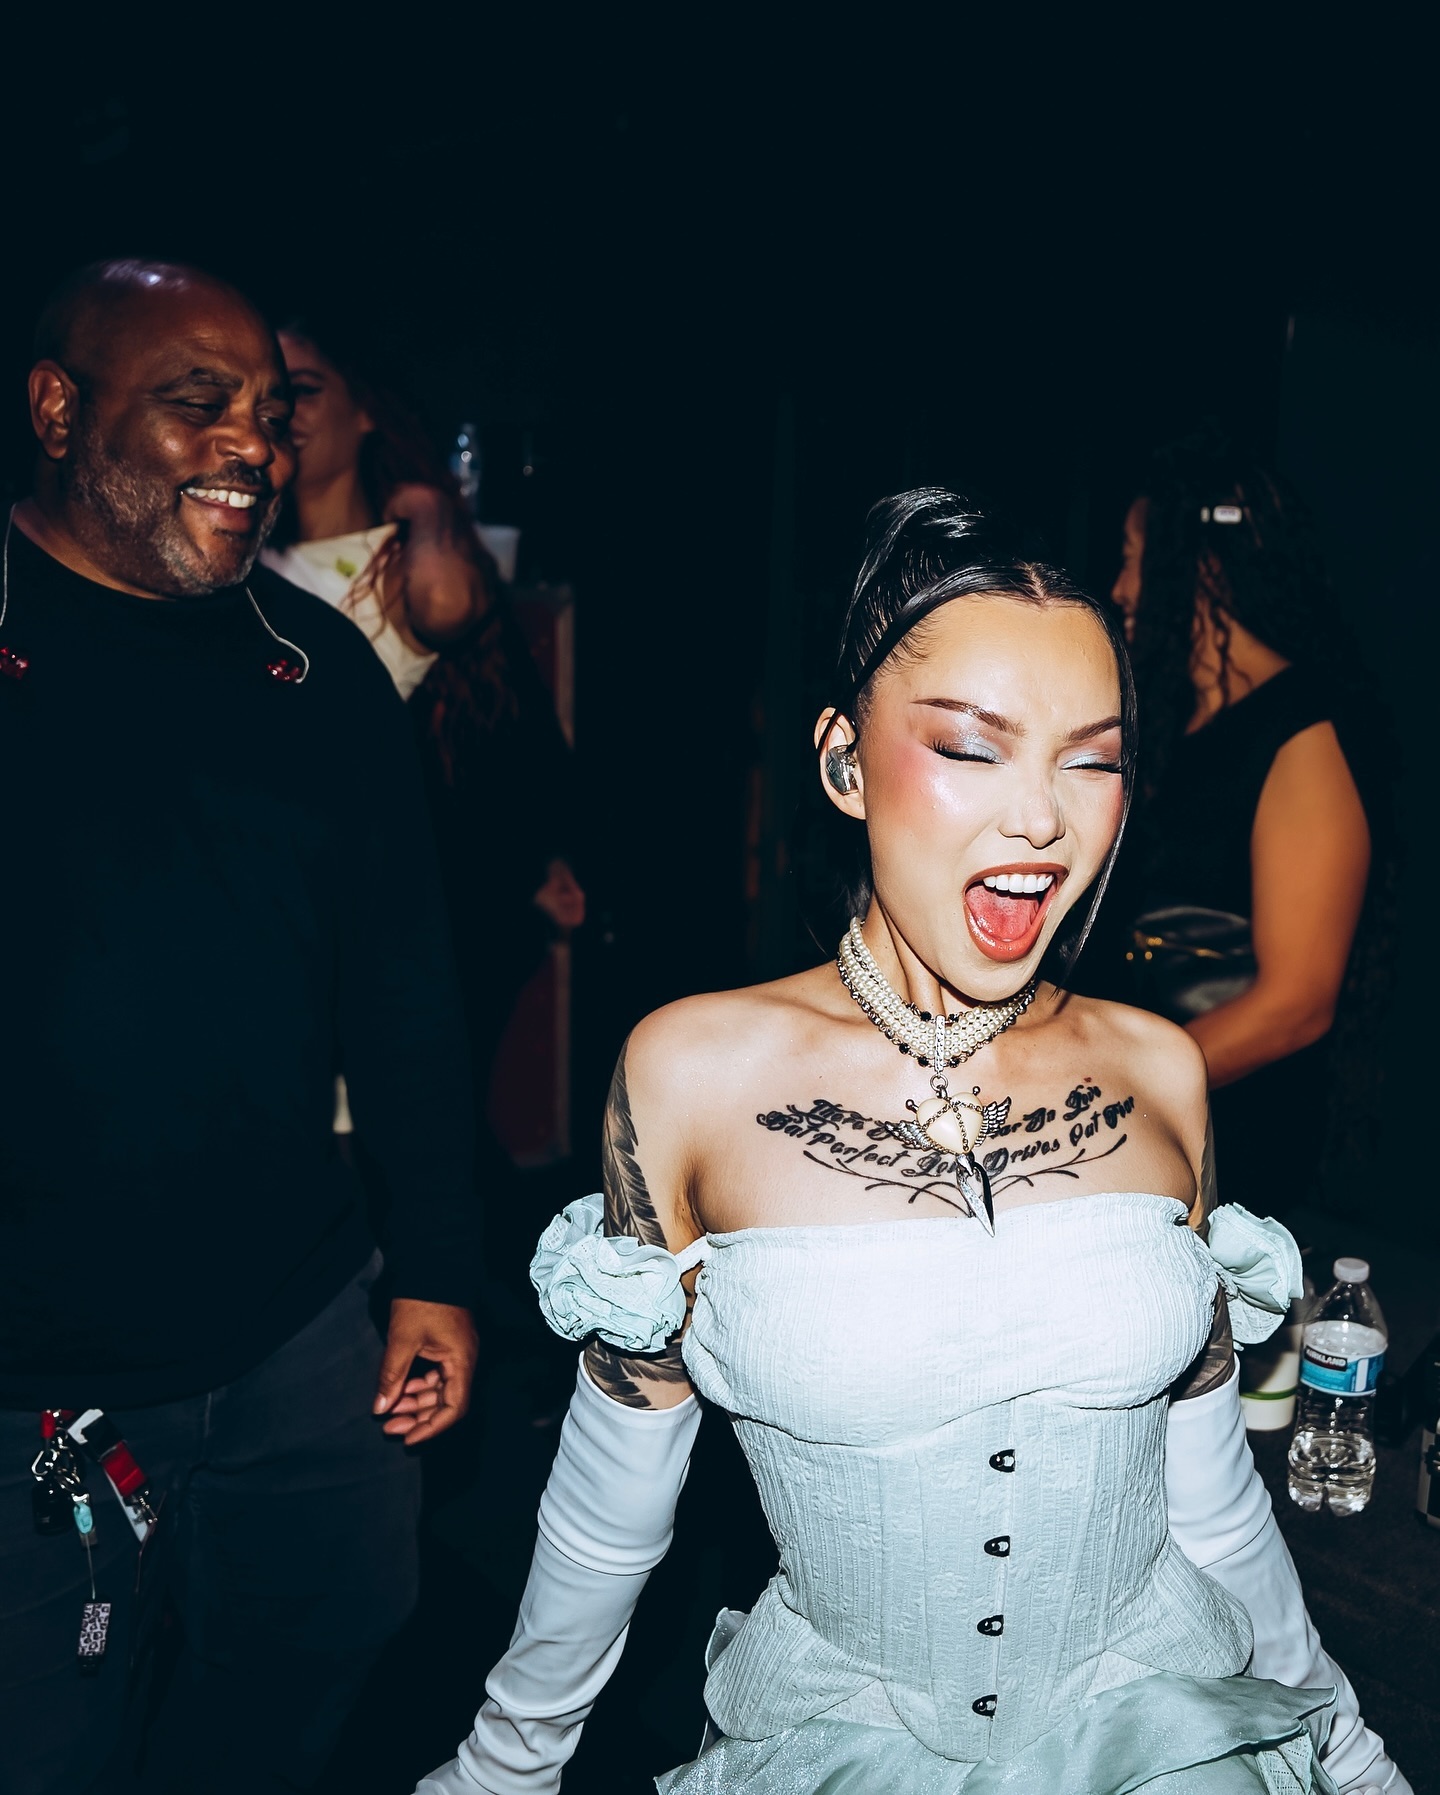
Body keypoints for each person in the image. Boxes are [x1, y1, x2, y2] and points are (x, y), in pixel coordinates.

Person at [416, 491, 1408, 1794]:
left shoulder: (1161, 1072)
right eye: (972, 748)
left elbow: (1213, 1494)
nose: (1042, 818)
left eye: (1092, 759)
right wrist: (506, 1765)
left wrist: (1345, 1748)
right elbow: (612, 1503)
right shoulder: (690, 1075)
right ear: (843, 761)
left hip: (1160, 1732)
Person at [0, 260, 481, 1795]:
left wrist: (438, 1267)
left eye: (269, 413)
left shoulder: (315, 664)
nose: (251, 447)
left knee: (331, 1637)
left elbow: (403, 988)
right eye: (196, 402)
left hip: (296, 1330)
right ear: (58, 409)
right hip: (35, 1370)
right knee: (46, 1734)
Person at [261, 321, 584, 1156]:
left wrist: (433, 509)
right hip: (295, 909)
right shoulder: (245, 570)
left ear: (365, 409)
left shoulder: (409, 560)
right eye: (271, 393)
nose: (285, 411)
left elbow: (465, 654)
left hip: (413, 915)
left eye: (305, 389)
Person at [1105, 439, 1384, 1218]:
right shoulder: (1174, 723)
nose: (1118, 588)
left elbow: (1297, 1001)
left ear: (1198, 566)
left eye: (1131, 558)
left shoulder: (1300, 731)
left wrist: (1121, 1083)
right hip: (1162, 1111)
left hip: (1242, 1127)